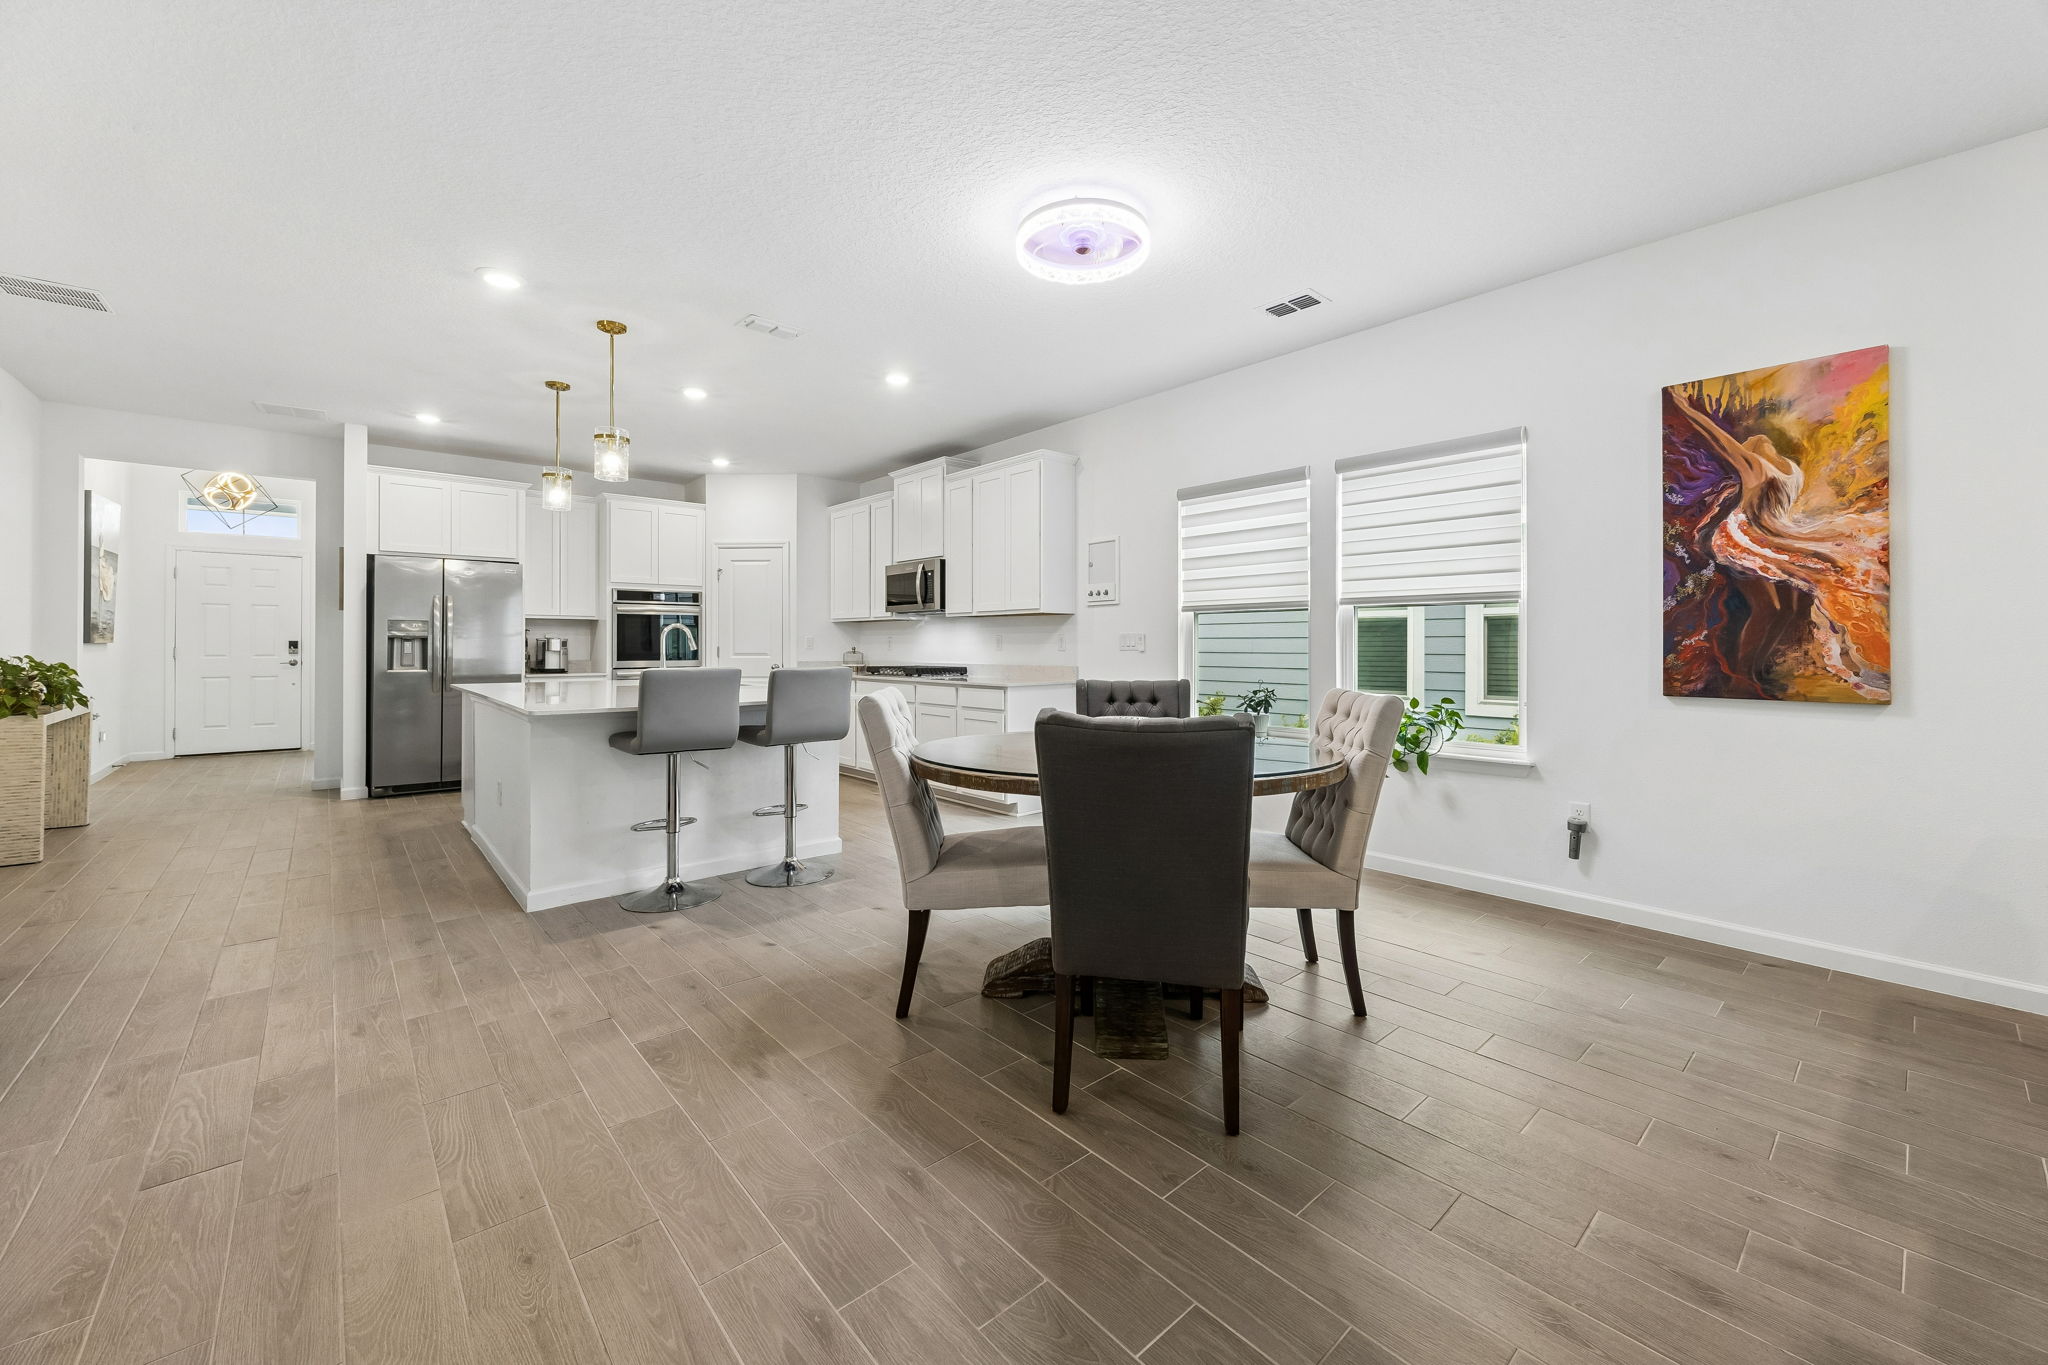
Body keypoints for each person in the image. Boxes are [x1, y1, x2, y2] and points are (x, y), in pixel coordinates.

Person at [1669, 386, 1888, 699]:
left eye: (1754, 439)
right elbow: (1716, 437)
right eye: (1746, 443)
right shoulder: (1754, 465)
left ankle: (1752, 674)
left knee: (1784, 610)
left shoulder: (1791, 470)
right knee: (1769, 608)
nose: (1752, 440)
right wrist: (1686, 410)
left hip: (1772, 536)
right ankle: (1742, 679)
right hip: (1741, 540)